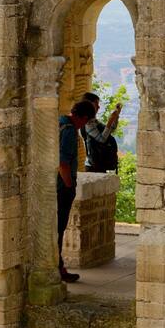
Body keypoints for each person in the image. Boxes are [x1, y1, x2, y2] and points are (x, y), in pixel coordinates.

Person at [57, 100, 97, 282]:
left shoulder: (59, 122)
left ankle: (58, 267)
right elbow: (63, 162)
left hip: (54, 184)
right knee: (58, 228)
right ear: (83, 117)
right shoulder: (68, 131)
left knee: (56, 229)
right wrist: (68, 185)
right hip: (61, 185)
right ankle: (58, 269)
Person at [81, 92, 122, 172]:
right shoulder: (88, 123)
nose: (98, 107)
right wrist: (110, 121)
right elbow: (102, 139)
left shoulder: (94, 121)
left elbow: (110, 130)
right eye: (96, 104)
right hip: (93, 165)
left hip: (99, 163)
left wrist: (116, 116)